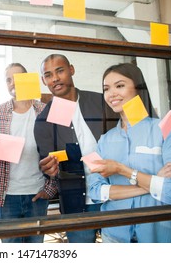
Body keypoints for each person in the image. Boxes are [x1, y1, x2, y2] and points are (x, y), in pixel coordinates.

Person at [88, 62, 171, 243]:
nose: (111, 93)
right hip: (114, 238)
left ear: (139, 89)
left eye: (120, 86)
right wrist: (152, 182)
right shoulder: (104, 140)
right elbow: (95, 191)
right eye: (106, 89)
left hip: (160, 239)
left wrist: (123, 170)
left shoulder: (165, 129)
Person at [34, 54, 117, 243]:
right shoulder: (43, 121)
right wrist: (49, 170)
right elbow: (48, 165)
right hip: (76, 203)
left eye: (60, 71)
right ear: (43, 80)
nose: (55, 78)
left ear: (71, 70)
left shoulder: (102, 102)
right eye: (48, 75)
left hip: (114, 195)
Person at [0, 63, 57, 243]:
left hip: (38, 195)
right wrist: (3, 148)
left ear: (27, 79)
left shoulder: (46, 111)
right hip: (8, 196)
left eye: (17, 78)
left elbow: (60, 152)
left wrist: (50, 189)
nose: (12, 83)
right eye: (8, 80)